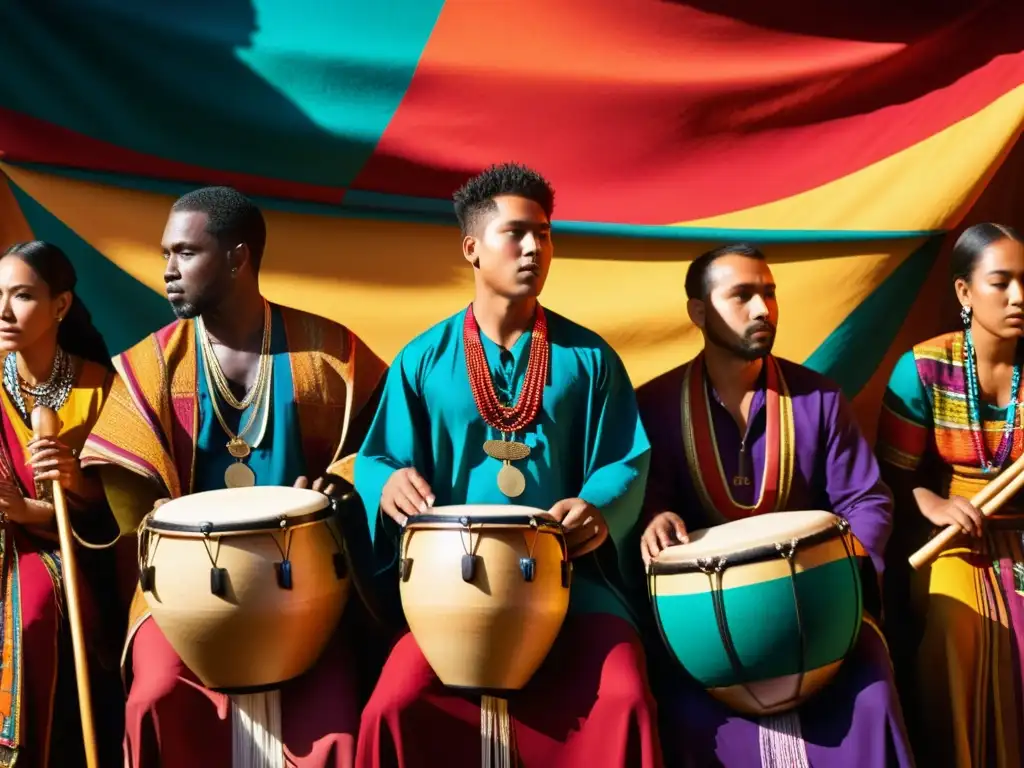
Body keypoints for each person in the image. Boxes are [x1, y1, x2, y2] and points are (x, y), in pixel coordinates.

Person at [353, 163, 661, 768]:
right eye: (516, 233)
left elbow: (625, 458)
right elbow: (378, 456)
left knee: (625, 695)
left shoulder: (589, 357)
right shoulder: (422, 359)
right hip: (452, 588)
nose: (534, 248)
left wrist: (598, 506)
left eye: (544, 234)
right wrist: (385, 482)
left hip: (571, 585)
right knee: (393, 704)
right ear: (471, 248)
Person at [79, 187, 388, 768]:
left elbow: (385, 448)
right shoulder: (150, 365)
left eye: (186, 253)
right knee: (157, 695)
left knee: (334, 723)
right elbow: (125, 502)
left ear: (238, 258)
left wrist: (336, 488)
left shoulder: (329, 353)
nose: (168, 270)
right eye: (165, 253)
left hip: (308, 585)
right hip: (181, 596)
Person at [636, 243, 913, 767]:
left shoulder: (820, 399)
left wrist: (840, 578)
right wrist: (653, 520)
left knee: (870, 696)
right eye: (742, 295)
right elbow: (646, 503)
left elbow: (866, 501)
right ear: (699, 311)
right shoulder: (653, 406)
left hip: (823, 611)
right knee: (688, 716)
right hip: (704, 625)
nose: (763, 309)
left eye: (769, 294)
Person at [876, 223, 1024, 768]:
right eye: (1001, 282)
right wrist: (934, 505)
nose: (1019, 297)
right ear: (964, 292)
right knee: (954, 629)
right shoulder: (921, 369)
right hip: (950, 537)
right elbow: (891, 480)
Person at [0, 241, 114, 767]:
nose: (2, 312)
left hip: (71, 553)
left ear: (61, 305)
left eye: (21, 296)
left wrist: (72, 482)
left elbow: (115, 516)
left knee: (36, 609)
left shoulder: (101, 387)